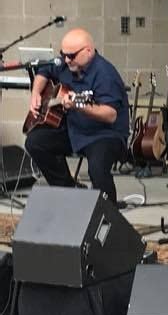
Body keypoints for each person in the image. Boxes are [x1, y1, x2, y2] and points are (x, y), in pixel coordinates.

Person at [24, 28, 129, 204]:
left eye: (71, 56)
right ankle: (69, 191)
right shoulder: (65, 65)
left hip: (104, 134)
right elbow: (44, 71)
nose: (66, 60)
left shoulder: (105, 74)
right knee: (35, 142)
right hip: (74, 129)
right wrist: (35, 93)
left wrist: (79, 107)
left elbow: (110, 115)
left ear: (88, 51)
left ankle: (108, 213)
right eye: (63, 54)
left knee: (96, 169)